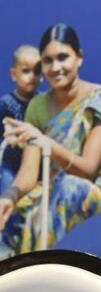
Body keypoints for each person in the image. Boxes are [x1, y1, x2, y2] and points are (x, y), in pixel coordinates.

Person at [0, 24, 101, 257]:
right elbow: (29, 172)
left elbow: (88, 169)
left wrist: (46, 143)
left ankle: (61, 270)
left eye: (63, 57)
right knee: (12, 211)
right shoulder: (37, 106)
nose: (55, 67)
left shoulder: (98, 100)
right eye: (47, 61)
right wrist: (9, 196)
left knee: (69, 188)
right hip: (49, 194)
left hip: (91, 196)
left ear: (79, 57)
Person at [0, 45, 41, 193]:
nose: (32, 76)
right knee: (7, 192)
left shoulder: (44, 103)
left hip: (36, 167)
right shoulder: (5, 104)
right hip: (10, 166)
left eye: (37, 71)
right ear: (13, 74)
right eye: (26, 71)